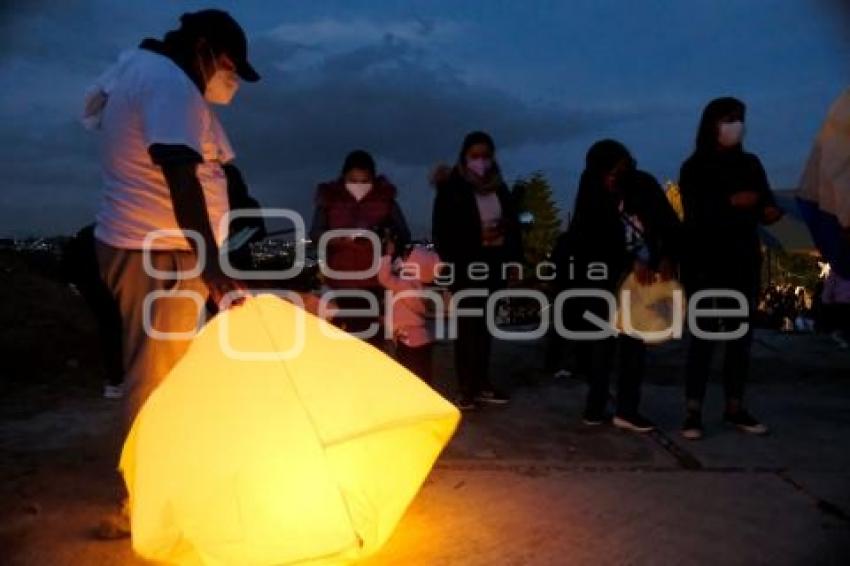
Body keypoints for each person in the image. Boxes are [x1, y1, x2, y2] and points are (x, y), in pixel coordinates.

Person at [84, 9, 260, 537]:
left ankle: (162, 487)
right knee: (157, 381)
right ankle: (149, 505)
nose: (228, 78)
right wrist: (212, 267)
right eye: (227, 65)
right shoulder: (168, 82)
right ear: (204, 47)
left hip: (153, 248)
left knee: (167, 373)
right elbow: (180, 177)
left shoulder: (143, 71)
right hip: (158, 251)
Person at [554, 140, 680, 432]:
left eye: (620, 170)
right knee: (600, 345)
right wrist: (626, 262)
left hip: (641, 282)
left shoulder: (643, 186)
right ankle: (595, 405)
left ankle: (627, 409)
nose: (614, 177)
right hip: (603, 279)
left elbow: (668, 225)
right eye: (609, 172)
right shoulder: (591, 191)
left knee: (634, 344)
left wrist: (663, 257)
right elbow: (589, 239)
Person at [679, 97, 783, 440]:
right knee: (704, 337)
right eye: (728, 119)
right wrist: (730, 202)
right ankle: (693, 410)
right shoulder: (695, 166)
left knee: (740, 338)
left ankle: (735, 407)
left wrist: (768, 210)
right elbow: (695, 213)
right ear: (712, 124)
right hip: (706, 262)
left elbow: (767, 201)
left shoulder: (750, 164)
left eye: (739, 119)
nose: (735, 125)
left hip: (743, 259)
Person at [432, 131, 523, 410]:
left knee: (485, 327)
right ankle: (466, 388)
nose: (481, 161)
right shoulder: (452, 187)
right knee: (468, 327)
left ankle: (482, 383)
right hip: (466, 265)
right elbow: (443, 231)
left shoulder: (499, 187)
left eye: (485, 155)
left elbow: (513, 224)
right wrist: (476, 235)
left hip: (494, 263)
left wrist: (512, 256)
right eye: (475, 156)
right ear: (464, 157)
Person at [310, 150, 410, 345]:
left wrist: (386, 239)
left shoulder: (385, 200)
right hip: (340, 283)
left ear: (373, 179)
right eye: (353, 180)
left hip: (374, 283)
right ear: (343, 177)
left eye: (364, 181)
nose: (359, 186)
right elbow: (315, 234)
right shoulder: (330, 199)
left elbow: (403, 234)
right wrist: (342, 238)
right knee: (342, 344)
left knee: (373, 343)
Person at [63, 224, 124, 398]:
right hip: (98, 284)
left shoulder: (92, 232)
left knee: (110, 329)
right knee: (114, 328)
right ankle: (117, 381)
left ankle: (116, 381)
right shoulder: (114, 234)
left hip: (91, 284)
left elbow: (67, 267)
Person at [378, 240, 442, 383]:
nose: (404, 259)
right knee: (423, 375)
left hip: (408, 340)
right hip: (420, 337)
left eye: (408, 257)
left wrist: (387, 255)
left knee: (410, 376)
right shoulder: (418, 287)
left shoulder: (406, 285)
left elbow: (384, 278)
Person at [822, 269, 850, 349]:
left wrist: (826, 300)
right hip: (841, 302)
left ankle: (842, 340)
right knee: (845, 324)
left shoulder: (836, 270)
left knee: (841, 323)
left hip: (839, 302)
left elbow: (829, 286)